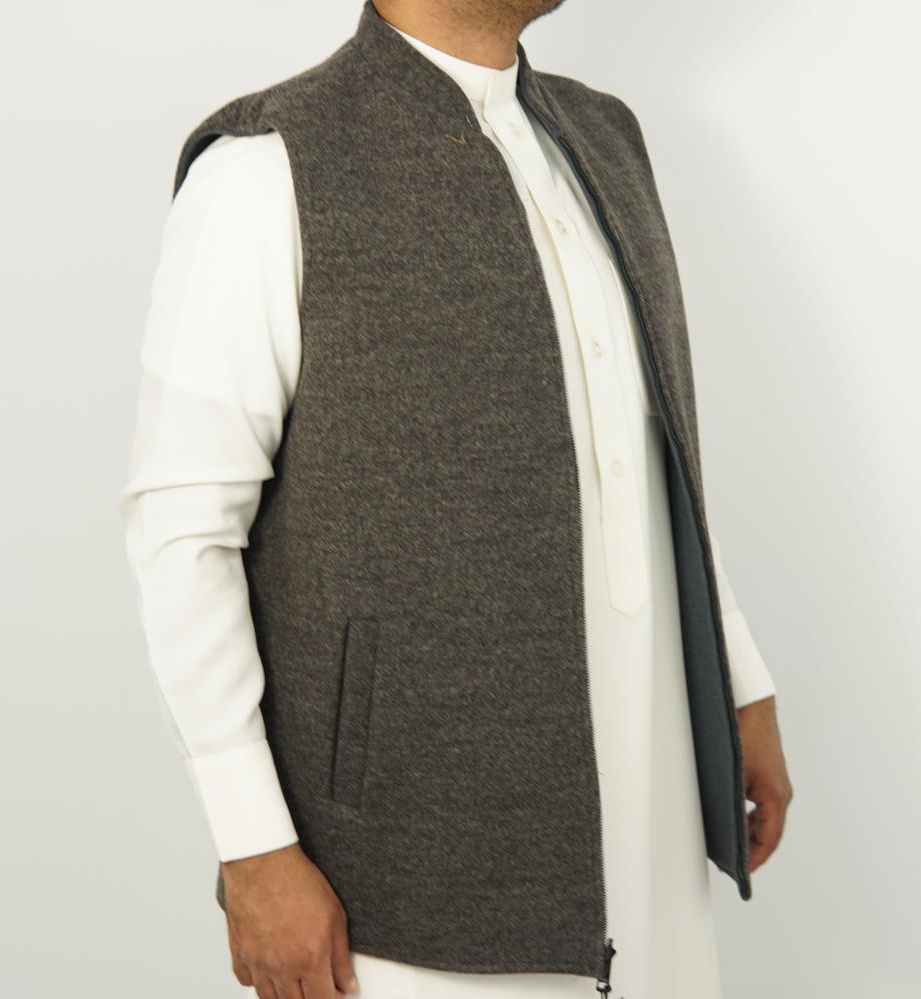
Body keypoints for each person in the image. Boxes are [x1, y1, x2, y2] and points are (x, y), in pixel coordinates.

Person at [119, 2, 794, 997]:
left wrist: (737, 681)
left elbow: (655, 455)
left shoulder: (603, 137)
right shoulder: (265, 168)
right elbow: (181, 532)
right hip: (409, 864)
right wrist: (251, 844)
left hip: (654, 803)